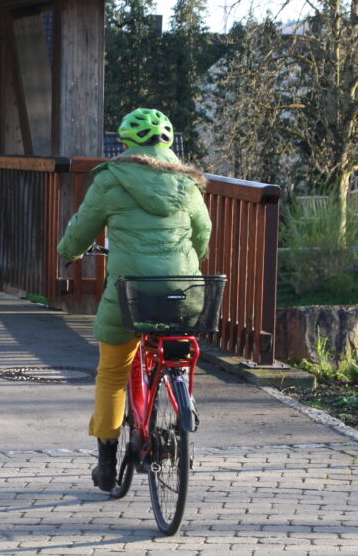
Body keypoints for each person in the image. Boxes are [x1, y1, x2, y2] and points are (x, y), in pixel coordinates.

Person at [56, 108, 211, 492]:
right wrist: (192, 260)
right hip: (183, 290)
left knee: (111, 373)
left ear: (126, 142)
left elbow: (83, 227)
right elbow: (203, 231)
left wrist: (68, 253)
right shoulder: (188, 183)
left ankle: (106, 463)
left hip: (131, 293)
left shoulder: (110, 178)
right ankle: (179, 408)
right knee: (177, 350)